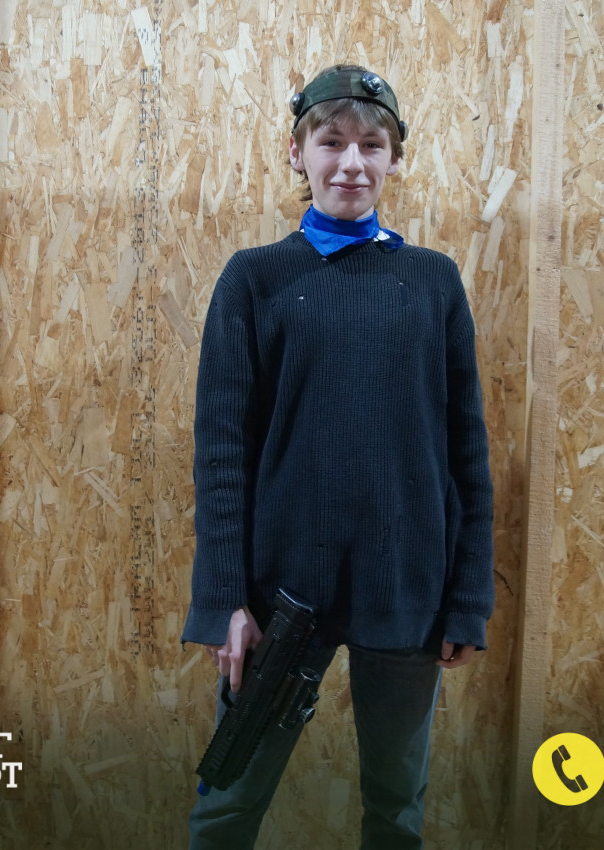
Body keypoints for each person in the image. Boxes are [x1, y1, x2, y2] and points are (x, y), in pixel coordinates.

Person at [183, 64, 495, 850]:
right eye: (331, 142)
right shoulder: (255, 280)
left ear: (395, 159)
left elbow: (466, 454)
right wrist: (224, 599)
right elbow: (222, 453)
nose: (351, 162)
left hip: (408, 589)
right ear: (298, 152)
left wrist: (467, 599)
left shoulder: (432, 282)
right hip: (281, 596)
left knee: (396, 812)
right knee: (227, 806)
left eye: (371, 145)